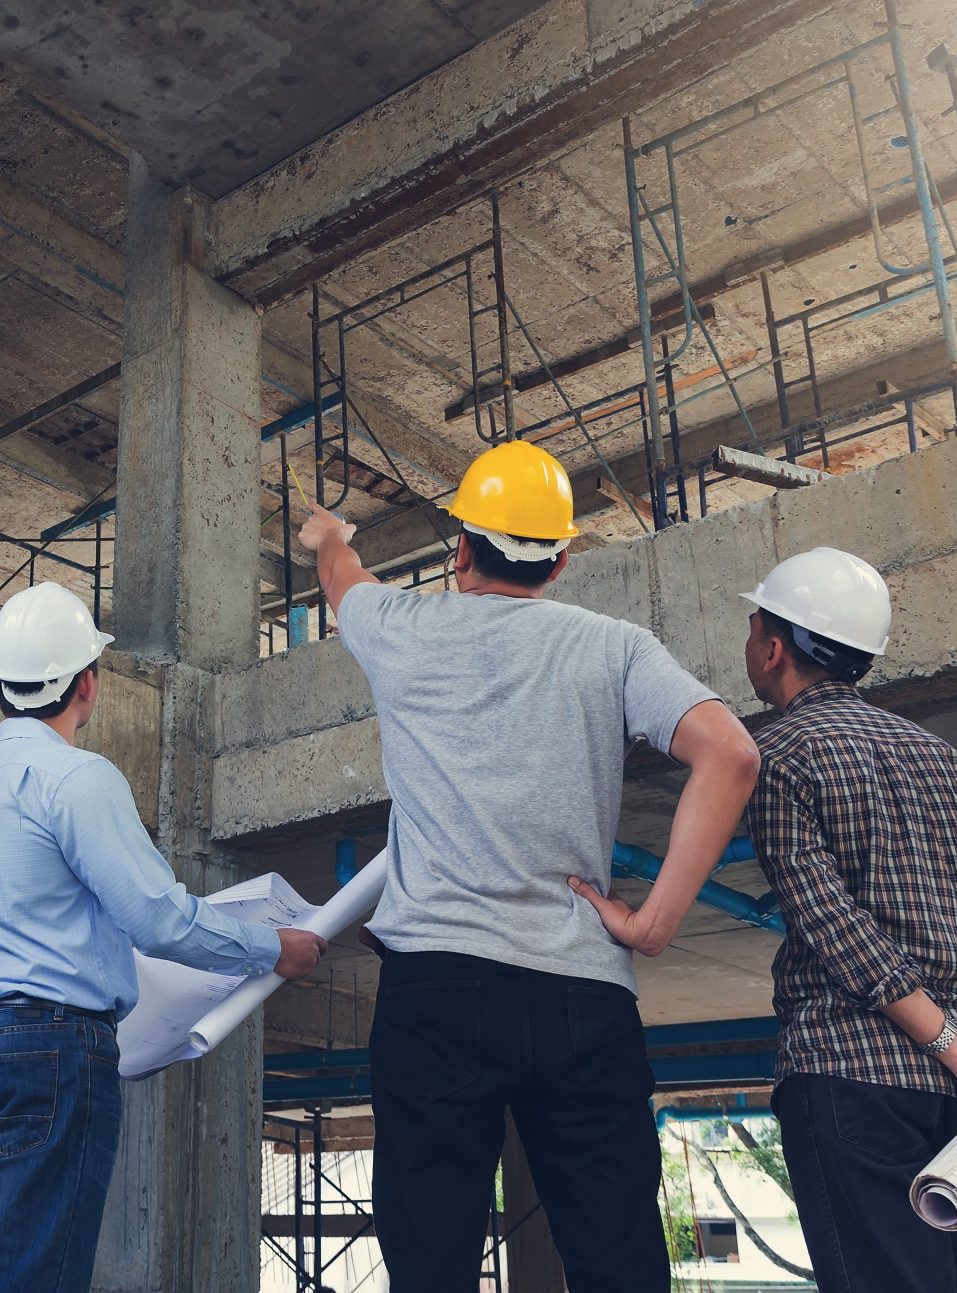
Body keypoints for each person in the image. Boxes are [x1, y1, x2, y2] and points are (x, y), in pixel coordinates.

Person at [296, 441, 761, 1292]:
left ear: (461, 549)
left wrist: (329, 532)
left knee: (430, 1262)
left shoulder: (400, 627)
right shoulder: (616, 646)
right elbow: (729, 754)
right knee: (618, 1257)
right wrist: (653, 923)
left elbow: (341, 577)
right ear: (562, 558)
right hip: (582, 991)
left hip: (435, 992)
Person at [0, 582, 327, 1293]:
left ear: (1, 681)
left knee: (12, 1264)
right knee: (40, 1277)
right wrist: (274, 948)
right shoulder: (79, 780)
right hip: (54, 1046)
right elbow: (158, 919)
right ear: (88, 682)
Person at [739, 547, 957, 1293]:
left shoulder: (777, 755)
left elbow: (830, 922)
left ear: (772, 646)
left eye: (753, 622)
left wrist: (955, 1043)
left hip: (852, 1074)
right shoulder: (955, 763)